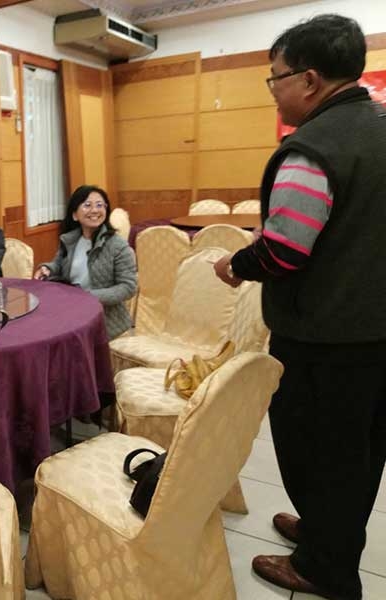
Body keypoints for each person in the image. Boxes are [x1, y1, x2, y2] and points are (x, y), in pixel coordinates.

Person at [212, 15, 386, 600]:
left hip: (324, 337)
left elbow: (284, 250)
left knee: (316, 451)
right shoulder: (380, 127)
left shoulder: (313, 148)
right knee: (360, 452)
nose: (274, 89)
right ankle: (323, 535)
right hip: (375, 330)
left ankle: (323, 569)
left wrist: (235, 265)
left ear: (309, 80)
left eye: (275, 77)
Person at [34, 185, 137, 339]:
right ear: (75, 215)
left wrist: (88, 296)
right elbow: (58, 264)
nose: (95, 210)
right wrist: (47, 269)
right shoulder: (70, 240)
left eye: (100, 205)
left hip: (105, 321)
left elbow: (128, 287)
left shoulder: (118, 246)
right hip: (71, 312)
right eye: (87, 205)